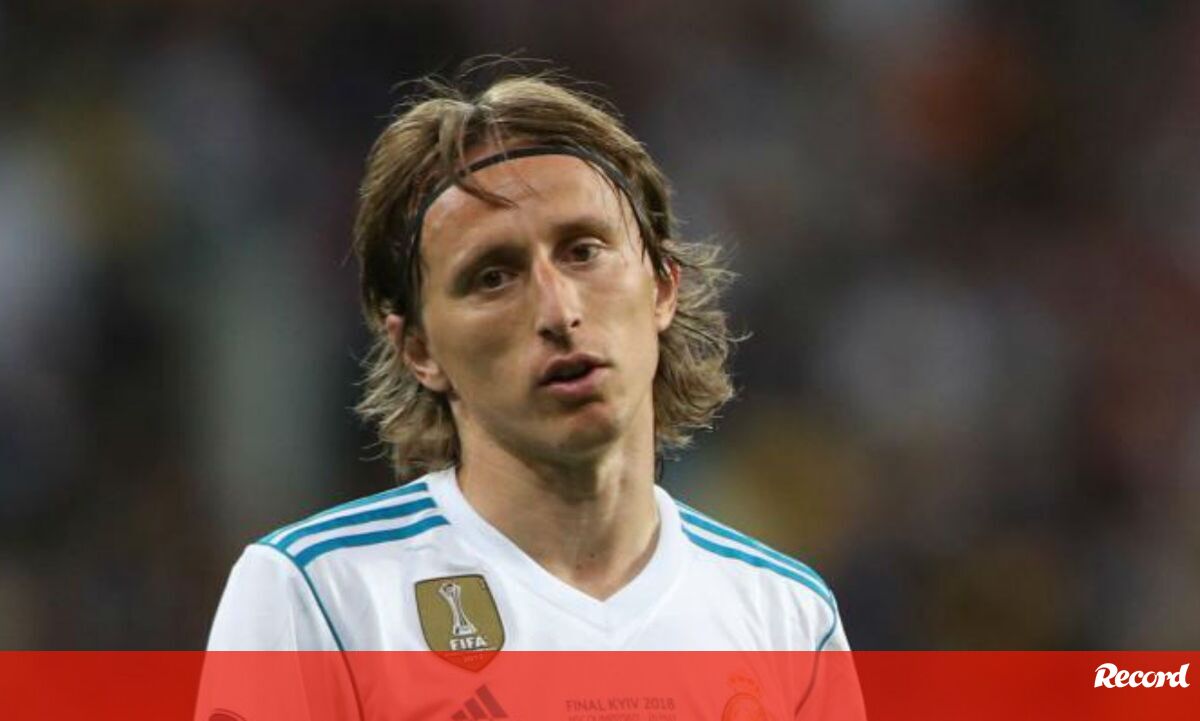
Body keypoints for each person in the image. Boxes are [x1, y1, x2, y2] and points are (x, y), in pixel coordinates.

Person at [202, 72, 859, 720]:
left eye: (583, 251)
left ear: (662, 286)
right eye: (493, 277)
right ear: (420, 349)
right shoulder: (321, 595)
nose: (557, 309)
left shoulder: (788, 619)